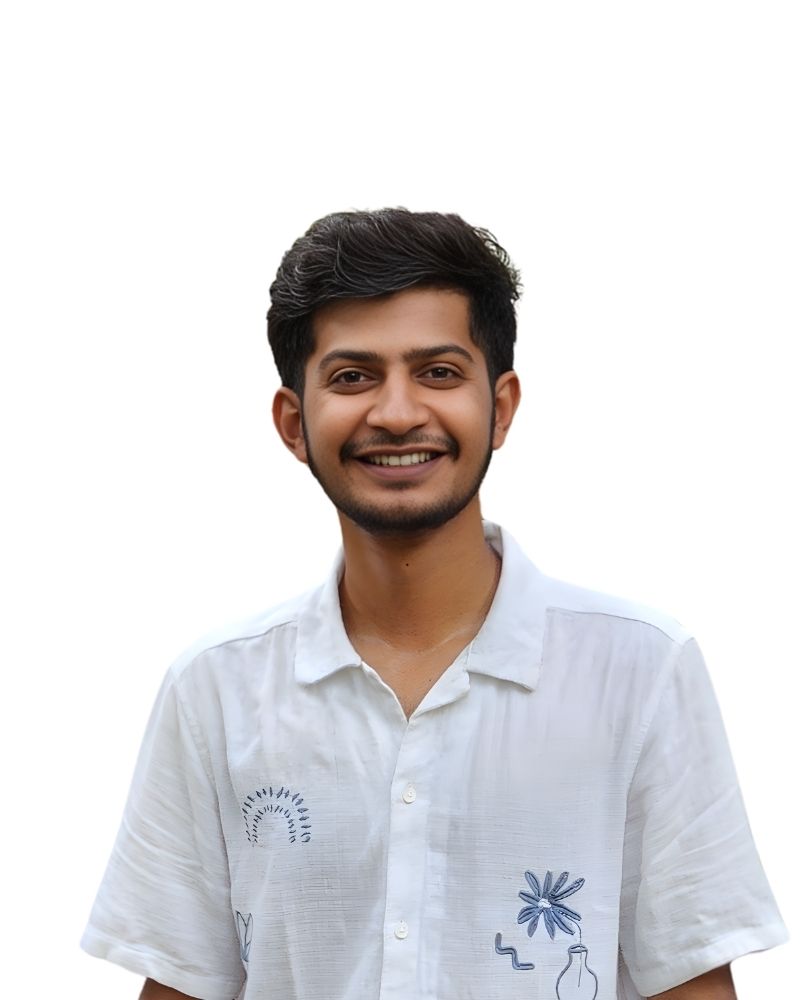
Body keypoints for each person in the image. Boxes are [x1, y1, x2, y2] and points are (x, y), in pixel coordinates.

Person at [82, 209, 787, 1000]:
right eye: (353, 377)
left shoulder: (639, 670)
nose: (396, 413)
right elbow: (182, 981)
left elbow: (692, 981)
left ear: (501, 407)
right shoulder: (217, 690)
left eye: (440, 372)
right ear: (293, 422)